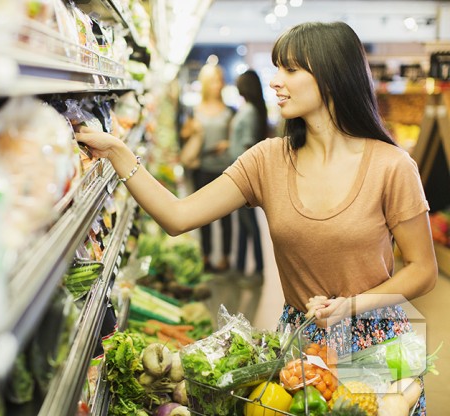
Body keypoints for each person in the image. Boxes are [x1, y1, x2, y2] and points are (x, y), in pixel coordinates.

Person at [77, 21, 437, 414]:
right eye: (276, 69)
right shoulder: (267, 160)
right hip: (303, 346)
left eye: (291, 70)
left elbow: (422, 269)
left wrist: (351, 306)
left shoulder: (392, 166)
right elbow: (177, 217)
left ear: (332, 76)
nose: (276, 81)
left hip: (376, 345)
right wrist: (117, 152)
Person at [179, 63, 235, 272]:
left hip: (226, 170)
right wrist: (191, 130)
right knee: (203, 216)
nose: (216, 85)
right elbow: (183, 135)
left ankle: (226, 257)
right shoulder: (195, 110)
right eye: (212, 81)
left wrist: (228, 144)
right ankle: (206, 255)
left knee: (227, 217)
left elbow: (234, 138)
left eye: (219, 80)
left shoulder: (229, 112)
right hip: (202, 167)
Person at [229, 70, 268, 284]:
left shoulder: (250, 111)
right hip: (240, 174)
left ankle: (259, 270)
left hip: (244, 177)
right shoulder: (249, 109)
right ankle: (240, 267)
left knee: (250, 224)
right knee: (244, 225)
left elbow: (247, 143)